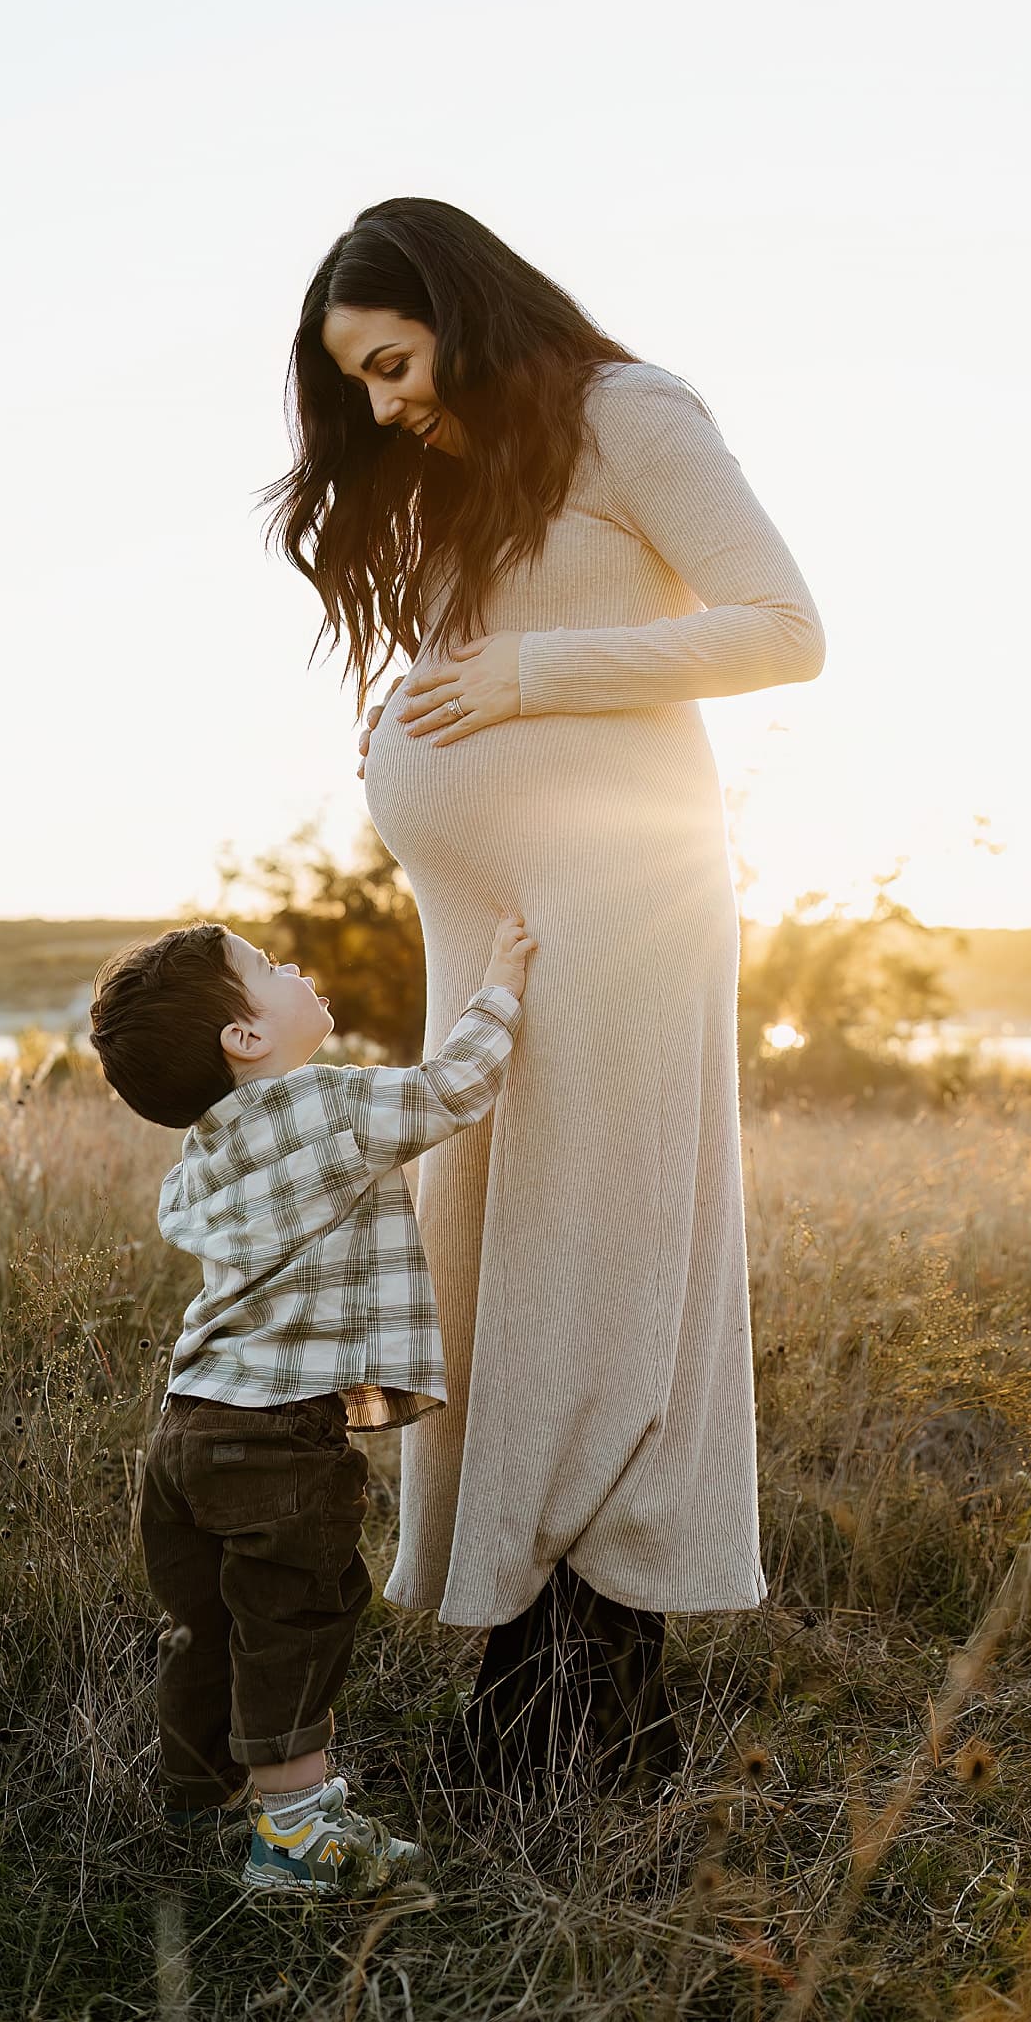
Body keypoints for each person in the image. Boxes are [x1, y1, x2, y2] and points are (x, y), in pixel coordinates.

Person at [266, 196, 825, 1793]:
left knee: (600, 1254)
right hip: (489, 921)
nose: (382, 406)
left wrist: (523, 679)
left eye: (392, 362)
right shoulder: (466, 465)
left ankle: (577, 1698)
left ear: (462, 306)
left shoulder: (631, 416)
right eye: (355, 386)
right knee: (489, 1255)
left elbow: (787, 629)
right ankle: (541, 1678)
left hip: (621, 907)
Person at [89, 911, 534, 1891]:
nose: (293, 965)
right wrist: (499, 984)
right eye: (267, 965)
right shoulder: (326, 1105)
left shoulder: (204, 1148)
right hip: (277, 1435)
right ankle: (290, 1835)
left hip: (186, 1425)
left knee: (209, 1621)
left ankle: (201, 1800)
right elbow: (454, 1089)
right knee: (296, 1614)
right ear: (246, 1038)